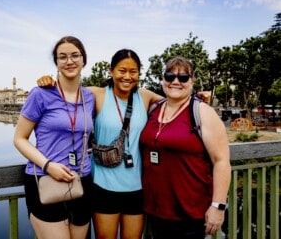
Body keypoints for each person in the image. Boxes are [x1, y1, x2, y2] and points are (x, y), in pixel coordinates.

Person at [38, 49, 163, 239]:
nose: (127, 77)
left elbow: (175, 101)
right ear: (111, 70)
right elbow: (66, 92)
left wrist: (198, 99)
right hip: (103, 186)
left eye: (133, 71)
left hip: (137, 187)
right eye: (122, 70)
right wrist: (49, 82)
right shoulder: (96, 94)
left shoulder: (145, 96)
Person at [139, 56, 231, 239]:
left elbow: (221, 161)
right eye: (169, 76)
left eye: (183, 78)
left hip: (191, 213)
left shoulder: (202, 112)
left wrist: (218, 206)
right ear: (163, 80)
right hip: (157, 210)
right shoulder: (154, 109)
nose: (175, 82)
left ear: (192, 82)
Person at [13, 36, 95, 239]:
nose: (69, 61)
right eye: (62, 57)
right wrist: (49, 165)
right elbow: (19, 138)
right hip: (45, 179)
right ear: (56, 63)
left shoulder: (90, 97)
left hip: (81, 181)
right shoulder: (40, 94)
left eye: (75, 55)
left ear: (84, 60)